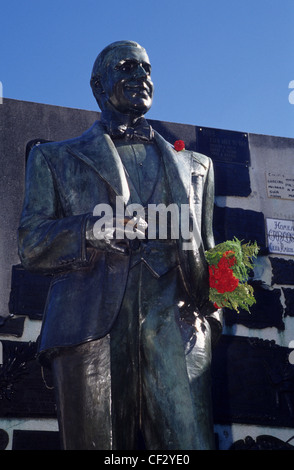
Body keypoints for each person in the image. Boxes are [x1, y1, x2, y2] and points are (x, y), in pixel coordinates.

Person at [18, 40, 222, 450]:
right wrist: (92, 229)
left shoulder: (197, 166)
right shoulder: (54, 159)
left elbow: (208, 247)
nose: (141, 77)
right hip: (90, 326)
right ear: (98, 85)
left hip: (178, 325)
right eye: (127, 68)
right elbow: (31, 241)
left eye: (146, 70)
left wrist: (213, 309)